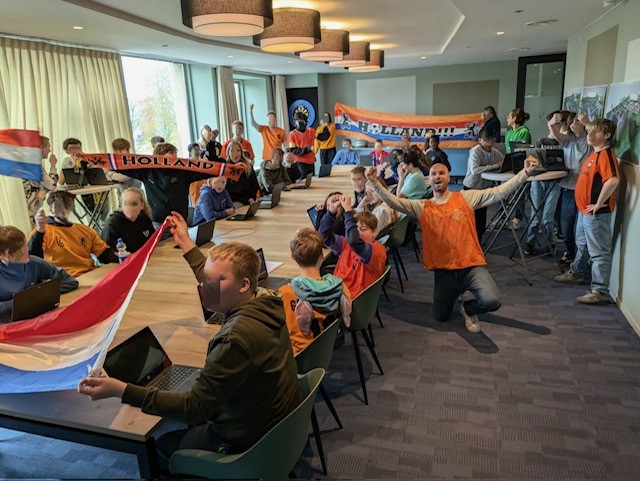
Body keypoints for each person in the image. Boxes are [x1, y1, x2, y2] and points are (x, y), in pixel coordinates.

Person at [78, 226, 303, 464]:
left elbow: (195, 408)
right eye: (206, 279)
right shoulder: (266, 301)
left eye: (215, 281)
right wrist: (187, 245)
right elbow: (216, 280)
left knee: (161, 447)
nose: (205, 288)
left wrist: (121, 391)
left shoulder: (233, 340)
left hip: (247, 438)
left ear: (244, 285)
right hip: (275, 423)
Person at [366, 156, 539, 333]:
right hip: (445, 272)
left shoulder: (465, 198)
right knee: (441, 316)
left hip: (471, 267)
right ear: (430, 179)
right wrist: (374, 183)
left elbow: (497, 192)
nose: (437, 176)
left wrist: (524, 173)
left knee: (492, 302)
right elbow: (395, 202)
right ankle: (459, 293)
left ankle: (468, 308)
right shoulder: (423, 206)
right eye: (433, 173)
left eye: (442, 173)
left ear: (449, 177)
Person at [554, 119, 620, 305]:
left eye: (594, 132)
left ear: (607, 135)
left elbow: (613, 180)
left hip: (595, 214)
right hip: (585, 211)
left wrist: (599, 203)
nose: (589, 136)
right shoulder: (595, 153)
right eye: (588, 132)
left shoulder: (606, 155)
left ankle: (600, 291)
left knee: (599, 252)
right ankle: (578, 273)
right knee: (582, 244)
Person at [278, 228, 351, 354]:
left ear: (292, 256)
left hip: (299, 357)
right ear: (322, 255)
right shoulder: (340, 287)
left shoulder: (285, 294)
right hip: (329, 347)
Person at [118, 143, 212, 229]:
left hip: (180, 221)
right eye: (171, 155)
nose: (175, 159)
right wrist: (111, 161)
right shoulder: (148, 172)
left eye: (176, 156)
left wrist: (213, 166)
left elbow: (206, 173)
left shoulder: (183, 172)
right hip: (159, 223)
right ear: (159, 157)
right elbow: (124, 168)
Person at [28, 191, 120, 277]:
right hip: (64, 279)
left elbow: (103, 253)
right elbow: (33, 257)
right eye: (59, 206)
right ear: (51, 210)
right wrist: (40, 230)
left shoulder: (84, 230)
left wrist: (121, 256)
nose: (63, 209)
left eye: (67, 205)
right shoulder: (43, 232)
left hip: (90, 274)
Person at [1, 225, 78, 323]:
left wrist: (43, 294)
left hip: (41, 319)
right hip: (9, 327)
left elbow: (70, 281)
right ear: (5, 254)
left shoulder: (35, 263)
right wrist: (24, 301)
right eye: (22, 248)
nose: (28, 249)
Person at [320, 194, 387, 299]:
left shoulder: (376, 250)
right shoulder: (347, 244)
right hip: (338, 291)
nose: (358, 233)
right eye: (356, 229)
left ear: (374, 232)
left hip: (352, 299)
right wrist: (331, 213)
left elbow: (354, 241)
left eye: (363, 229)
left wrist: (348, 210)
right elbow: (325, 237)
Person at [523, 111, 570, 256]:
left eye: (559, 123)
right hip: (539, 182)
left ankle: (551, 245)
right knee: (535, 215)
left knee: (547, 217)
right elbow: (535, 161)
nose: (556, 126)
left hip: (555, 182)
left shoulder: (565, 142)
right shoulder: (541, 141)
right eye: (553, 123)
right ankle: (530, 243)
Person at [547, 112, 591, 266]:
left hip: (584, 192)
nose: (572, 124)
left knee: (580, 231)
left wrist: (587, 122)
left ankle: (579, 262)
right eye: (571, 122)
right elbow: (557, 135)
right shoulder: (569, 140)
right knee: (565, 229)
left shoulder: (590, 141)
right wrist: (552, 123)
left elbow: (598, 135)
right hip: (567, 189)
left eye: (576, 121)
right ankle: (572, 253)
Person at [463, 128, 504, 241]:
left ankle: (478, 240)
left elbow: (503, 161)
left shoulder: (495, 152)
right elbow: (475, 169)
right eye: (487, 139)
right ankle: (469, 241)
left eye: (491, 139)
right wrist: (495, 166)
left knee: (481, 216)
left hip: (484, 188)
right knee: (471, 216)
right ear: (480, 140)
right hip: (472, 187)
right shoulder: (475, 151)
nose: (490, 142)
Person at [102, 187, 155, 254]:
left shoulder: (144, 218)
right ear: (121, 206)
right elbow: (105, 253)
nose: (130, 208)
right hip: (122, 262)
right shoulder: (112, 225)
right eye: (126, 204)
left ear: (142, 205)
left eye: (134, 204)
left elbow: (153, 239)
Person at [504, 108, 532, 229]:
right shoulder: (508, 133)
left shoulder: (524, 132)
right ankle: (503, 217)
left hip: (520, 166)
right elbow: (508, 149)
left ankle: (517, 218)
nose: (507, 118)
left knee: (519, 194)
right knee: (503, 191)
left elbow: (520, 149)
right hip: (509, 165)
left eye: (509, 116)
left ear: (514, 118)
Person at [23, 136, 58, 227]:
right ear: (42, 147)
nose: (50, 150)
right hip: (29, 210)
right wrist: (53, 166)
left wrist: (42, 191)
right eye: (48, 147)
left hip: (28, 208)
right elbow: (52, 185)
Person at [224, 141, 260, 207]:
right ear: (228, 153)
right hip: (232, 201)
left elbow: (255, 186)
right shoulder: (225, 168)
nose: (235, 153)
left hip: (248, 201)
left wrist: (251, 197)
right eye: (232, 151)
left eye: (238, 150)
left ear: (241, 152)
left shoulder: (248, 167)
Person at [288, 112, 317, 180]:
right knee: (302, 182)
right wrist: (307, 149)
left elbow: (322, 137)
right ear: (295, 122)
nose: (300, 123)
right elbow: (293, 150)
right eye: (298, 121)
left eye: (302, 121)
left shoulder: (311, 131)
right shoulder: (292, 134)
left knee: (312, 182)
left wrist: (325, 126)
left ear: (306, 122)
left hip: (311, 161)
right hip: (300, 163)